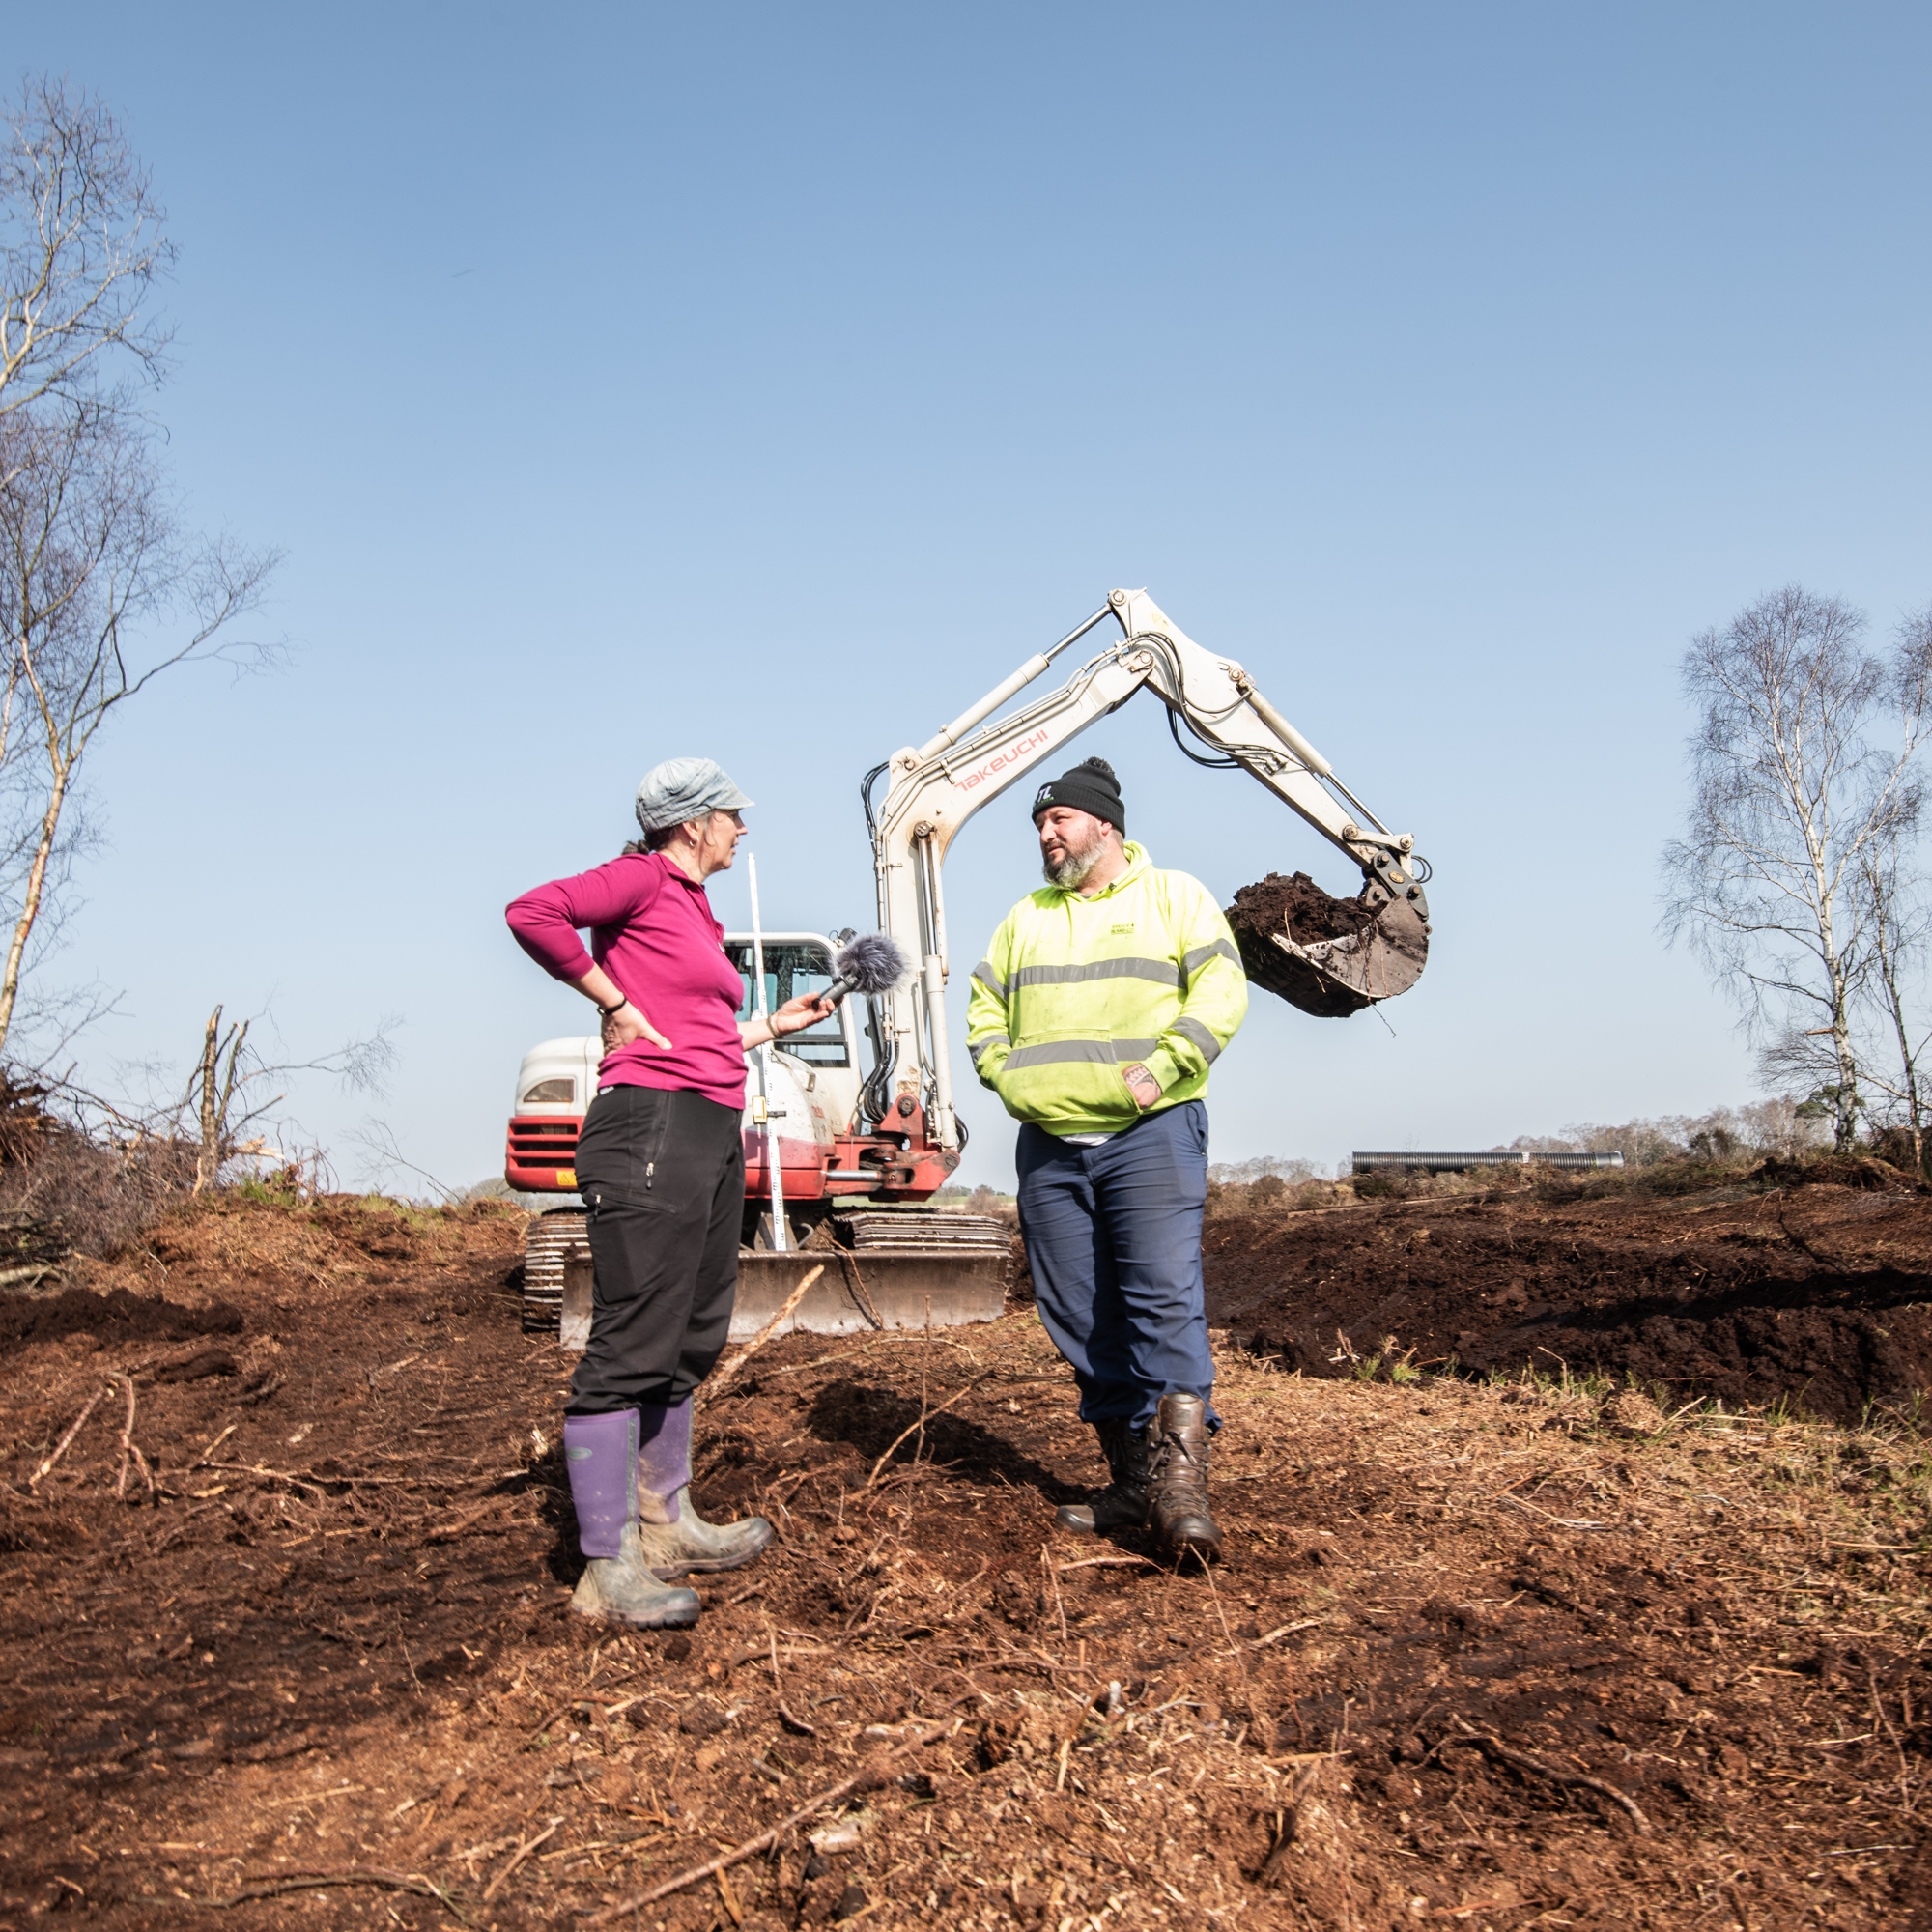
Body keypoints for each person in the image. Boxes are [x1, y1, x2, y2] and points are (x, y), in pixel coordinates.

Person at [507, 755, 831, 1627]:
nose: (743, 828)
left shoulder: (693, 906)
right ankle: (607, 1568)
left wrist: (768, 1026)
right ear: (693, 824)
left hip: (708, 1123)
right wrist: (608, 997)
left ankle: (668, 1523)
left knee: (693, 1328)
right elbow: (531, 912)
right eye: (733, 814)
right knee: (635, 1336)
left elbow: (697, 1024)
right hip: (648, 1122)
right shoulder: (642, 878)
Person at [964, 756, 1247, 1561]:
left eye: (1059, 820)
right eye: (1039, 824)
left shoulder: (1176, 898)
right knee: (1079, 1311)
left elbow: (1222, 996)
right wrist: (1007, 1076)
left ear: (1105, 826)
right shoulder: (1025, 918)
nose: (1046, 833)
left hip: (1147, 1136)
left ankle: (1182, 1489)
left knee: (1162, 1301)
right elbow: (985, 1007)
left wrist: (1162, 1069)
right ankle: (1131, 1480)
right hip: (1049, 1143)